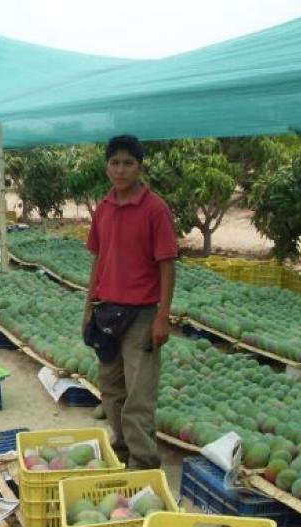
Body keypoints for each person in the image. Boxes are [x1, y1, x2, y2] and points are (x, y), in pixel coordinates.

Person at [82, 134, 178, 470]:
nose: (120, 170)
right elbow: (98, 259)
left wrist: (162, 316)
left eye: (128, 163)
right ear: (107, 166)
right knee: (111, 388)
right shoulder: (104, 207)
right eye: (114, 162)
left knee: (139, 395)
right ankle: (121, 451)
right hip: (107, 311)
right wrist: (88, 307)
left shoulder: (155, 209)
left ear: (139, 167)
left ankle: (143, 463)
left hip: (140, 315)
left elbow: (167, 264)